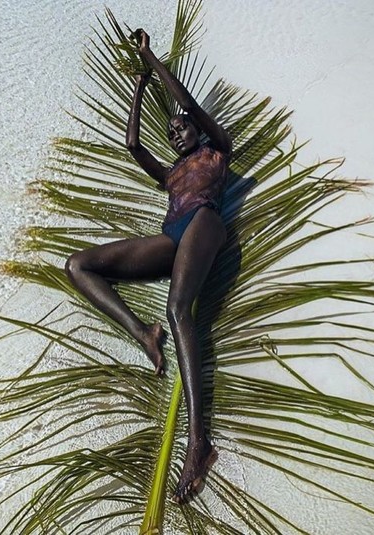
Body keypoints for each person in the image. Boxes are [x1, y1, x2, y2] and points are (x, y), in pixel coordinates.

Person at [65, 29, 232, 504]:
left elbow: (187, 102)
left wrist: (151, 60)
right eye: (172, 132)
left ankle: (198, 444)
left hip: (204, 221)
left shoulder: (217, 149)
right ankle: (143, 333)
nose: (176, 133)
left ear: (198, 130)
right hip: (172, 234)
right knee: (78, 266)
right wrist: (137, 87)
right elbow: (133, 144)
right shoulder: (171, 172)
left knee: (179, 309)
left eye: (181, 128)